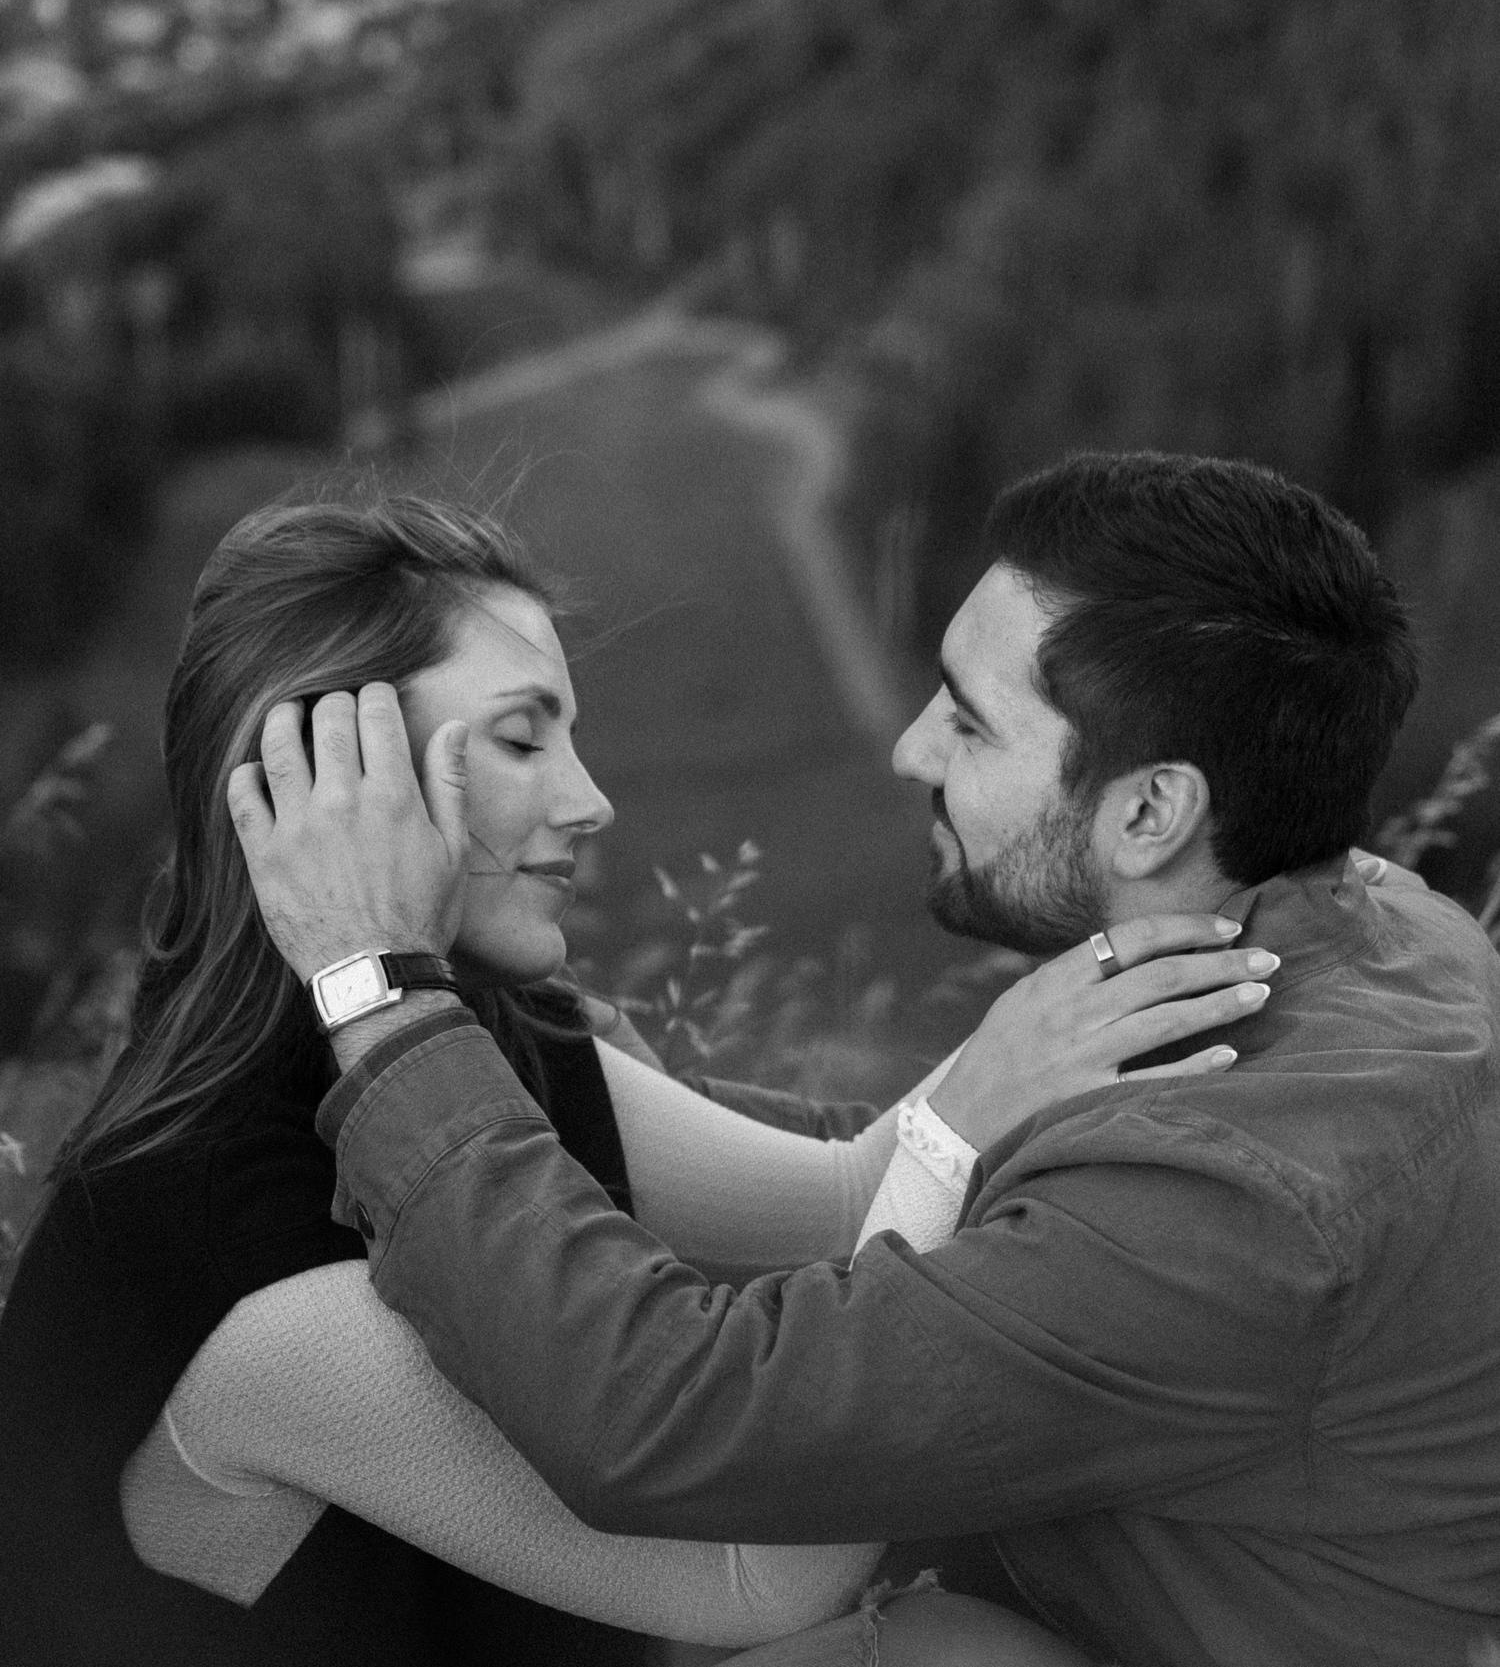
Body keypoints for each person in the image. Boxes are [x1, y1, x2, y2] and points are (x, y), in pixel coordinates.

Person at [239, 452, 1500, 1667]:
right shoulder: (1376, 928)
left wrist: (383, 991)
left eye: (966, 719)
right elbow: (937, 1212)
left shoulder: (1232, 1195)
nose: (909, 747)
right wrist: (545, 1042)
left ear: (1150, 809)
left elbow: (667, 1415)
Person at [0, 492, 1262, 1667]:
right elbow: (752, 1577)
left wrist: (1100, 979)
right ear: (341, 775)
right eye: (518, 736)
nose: (591, 799)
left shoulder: (469, 1039)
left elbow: (833, 1200)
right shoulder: (232, 1248)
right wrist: (965, 1126)